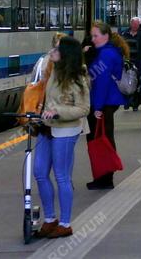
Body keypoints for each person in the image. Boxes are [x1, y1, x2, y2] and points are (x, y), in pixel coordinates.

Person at [34, 36, 90, 239]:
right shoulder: (54, 72)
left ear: (66, 54)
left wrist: (57, 111)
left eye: (57, 49)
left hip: (66, 130)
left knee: (61, 176)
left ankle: (65, 223)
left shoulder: (78, 78)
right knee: (39, 172)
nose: (52, 51)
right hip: (47, 128)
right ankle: (50, 219)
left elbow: (84, 108)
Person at [86, 21, 124, 190]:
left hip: (104, 102)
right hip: (107, 101)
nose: (92, 39)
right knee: (103, 138)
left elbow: (101, 82)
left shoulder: (106, 55)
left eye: (96, 36)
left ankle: (105, 177)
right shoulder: (105, 52)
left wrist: (98, 107)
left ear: (105, 36)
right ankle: (103, 176)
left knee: (102, 139)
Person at [121, 18, 141, 110]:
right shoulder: (125, 34)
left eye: (137, 24)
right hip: (127, 62)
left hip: (138, 62)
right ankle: (127, 101)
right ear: (131, 24)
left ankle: (135, 103)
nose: (135, 26)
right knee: (126, 82)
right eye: (133, 24)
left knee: (136, 83)